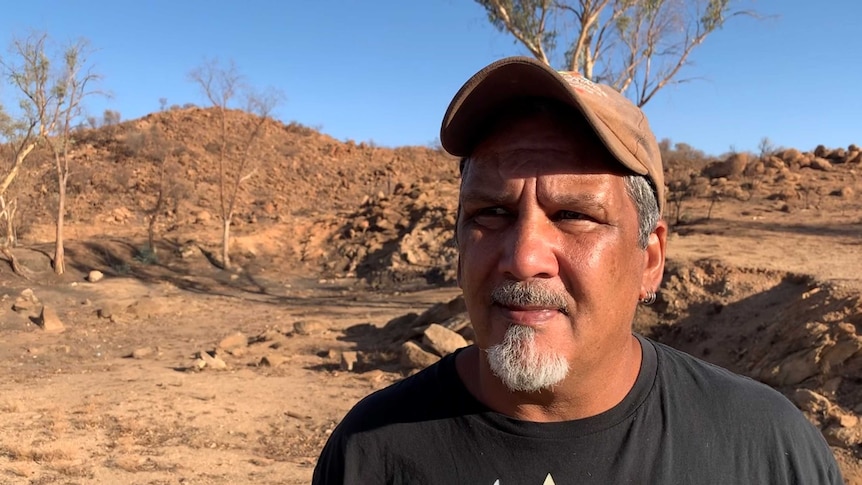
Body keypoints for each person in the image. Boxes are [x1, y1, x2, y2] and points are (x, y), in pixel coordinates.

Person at [312, 56, 843, 484]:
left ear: (650, 260)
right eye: (490, 214)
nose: (524, 257)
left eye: (574, 216)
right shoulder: (371, 451)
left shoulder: (764, 448)